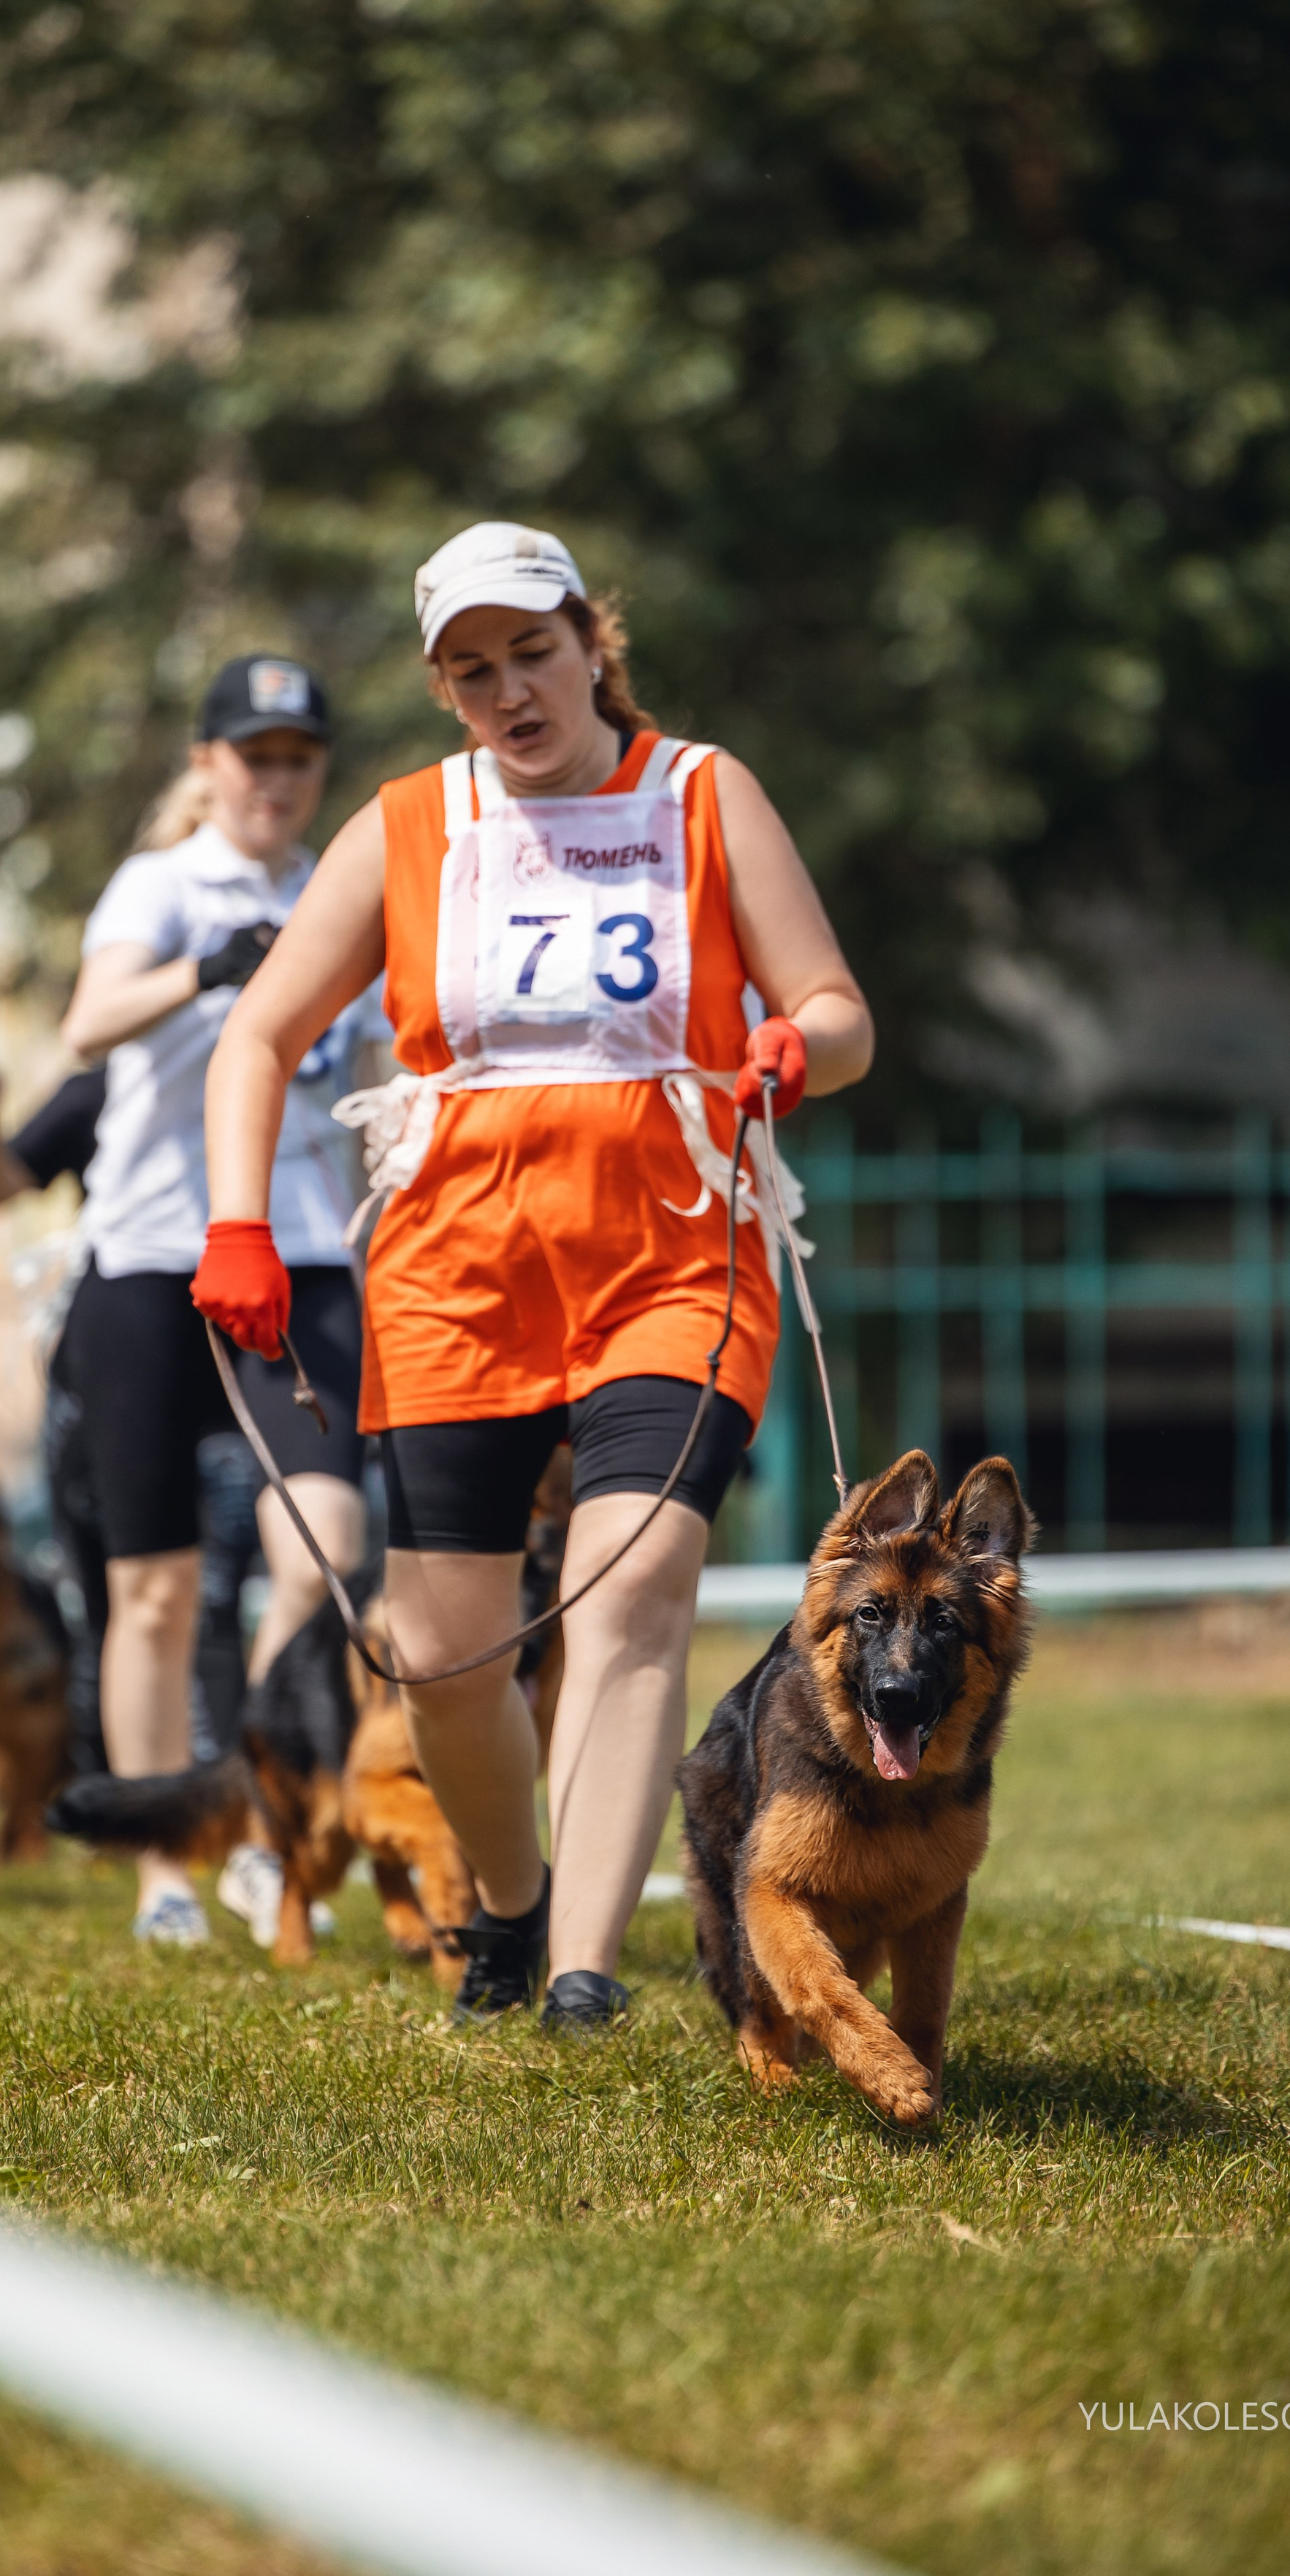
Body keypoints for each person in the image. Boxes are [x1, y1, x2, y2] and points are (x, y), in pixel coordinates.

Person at [191, 522, 873, 2025]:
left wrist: (792, 1047)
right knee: (441, 1658)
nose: (509, 691)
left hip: (673, 1240)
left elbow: (835, 1007)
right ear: (444, 691)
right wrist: (236, 1221)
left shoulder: (703, 793)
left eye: (531, 653)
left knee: (631, 1595)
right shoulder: (404, 825)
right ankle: (507, 1907)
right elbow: (256, 1035)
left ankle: (581, 1969)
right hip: (455, 1264)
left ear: (589, 643)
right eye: (470, 669)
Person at [56, 655, 373, 1944]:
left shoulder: (338, 888)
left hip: (301, 1253)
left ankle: (248, 1818)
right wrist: (206, 971)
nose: (277, 781)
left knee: (325, 1552)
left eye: (299, 758)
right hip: (146, 1259)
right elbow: (85, 1025)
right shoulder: (161, 883)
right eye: (254, 755)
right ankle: (162, 1869)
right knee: (155, 1589)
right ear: (206, 765)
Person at [0, 1056, 265, 1782]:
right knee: (111, 1597)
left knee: (215, 1599)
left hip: (234, 1378)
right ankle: (115, 1794)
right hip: (113, 1372)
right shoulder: (112, 1085)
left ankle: (229, 1800)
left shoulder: (281, 1078)